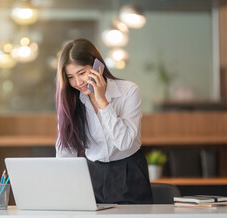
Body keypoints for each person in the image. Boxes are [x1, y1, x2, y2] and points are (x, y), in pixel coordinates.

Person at [55, 38, 153, 204]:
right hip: (93, 174)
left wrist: (102, 101)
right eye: (70, 77)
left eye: (82, 73)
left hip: (129, 172)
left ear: (96, 66)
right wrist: (61, 187)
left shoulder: (129, 91)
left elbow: (124, 142)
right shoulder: (71, 101)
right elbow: (66, 151)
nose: (78, 83)